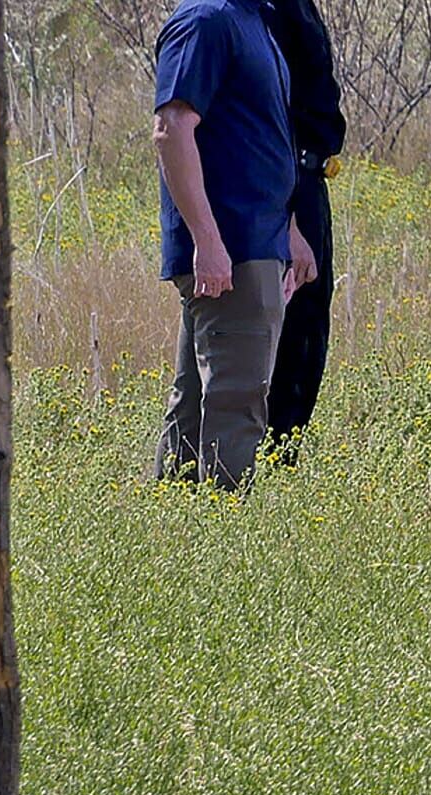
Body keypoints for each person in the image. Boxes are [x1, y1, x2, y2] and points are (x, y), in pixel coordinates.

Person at [151, 0, 315, 488]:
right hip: (232, 250)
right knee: (237, 401)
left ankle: (174, 531)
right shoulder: (207, 20)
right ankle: (222, 535)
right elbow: (171, 129)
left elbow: (258, 138)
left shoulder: (255, 20)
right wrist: (208, 241)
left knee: (197, 403)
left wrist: (290, 233)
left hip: (257, 241)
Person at [261, 0, 346, 454]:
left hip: (310, 180)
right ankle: (260, 458)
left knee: (309, 330)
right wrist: (289, 214)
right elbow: (266, 112)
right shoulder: (263, 10)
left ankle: (283, 456)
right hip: (283, 185)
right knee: (283, 333)